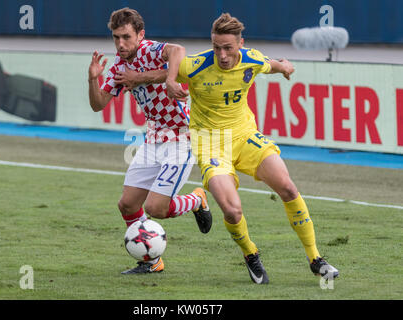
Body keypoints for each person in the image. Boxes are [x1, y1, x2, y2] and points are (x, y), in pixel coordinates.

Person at [165, 13, 339, 284]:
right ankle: (250, 254)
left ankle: (315, 259)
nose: (221, 55)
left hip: (245, 136)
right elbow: (170, 60)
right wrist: (167, 78)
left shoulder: (252, 59)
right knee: (232, 210)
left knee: (288, 187)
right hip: (210, 143)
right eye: (216, 47)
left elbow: (271, 65)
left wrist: (285, 67)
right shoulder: (197, 65)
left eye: (228, 48)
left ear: (240, 44)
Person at [88, 7, 212, 274]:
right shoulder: (120, 68)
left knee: (156, 208)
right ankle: (151, 261)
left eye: (126, 37)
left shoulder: (148, 50)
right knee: (127, 204)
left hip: (182, 137)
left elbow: (178, 51)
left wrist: (164, 78)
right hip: (154, 138)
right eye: (115, 38)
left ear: (140, 35)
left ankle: (197, 199)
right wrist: (93, 79)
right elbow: (98, 105)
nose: (120, 44)